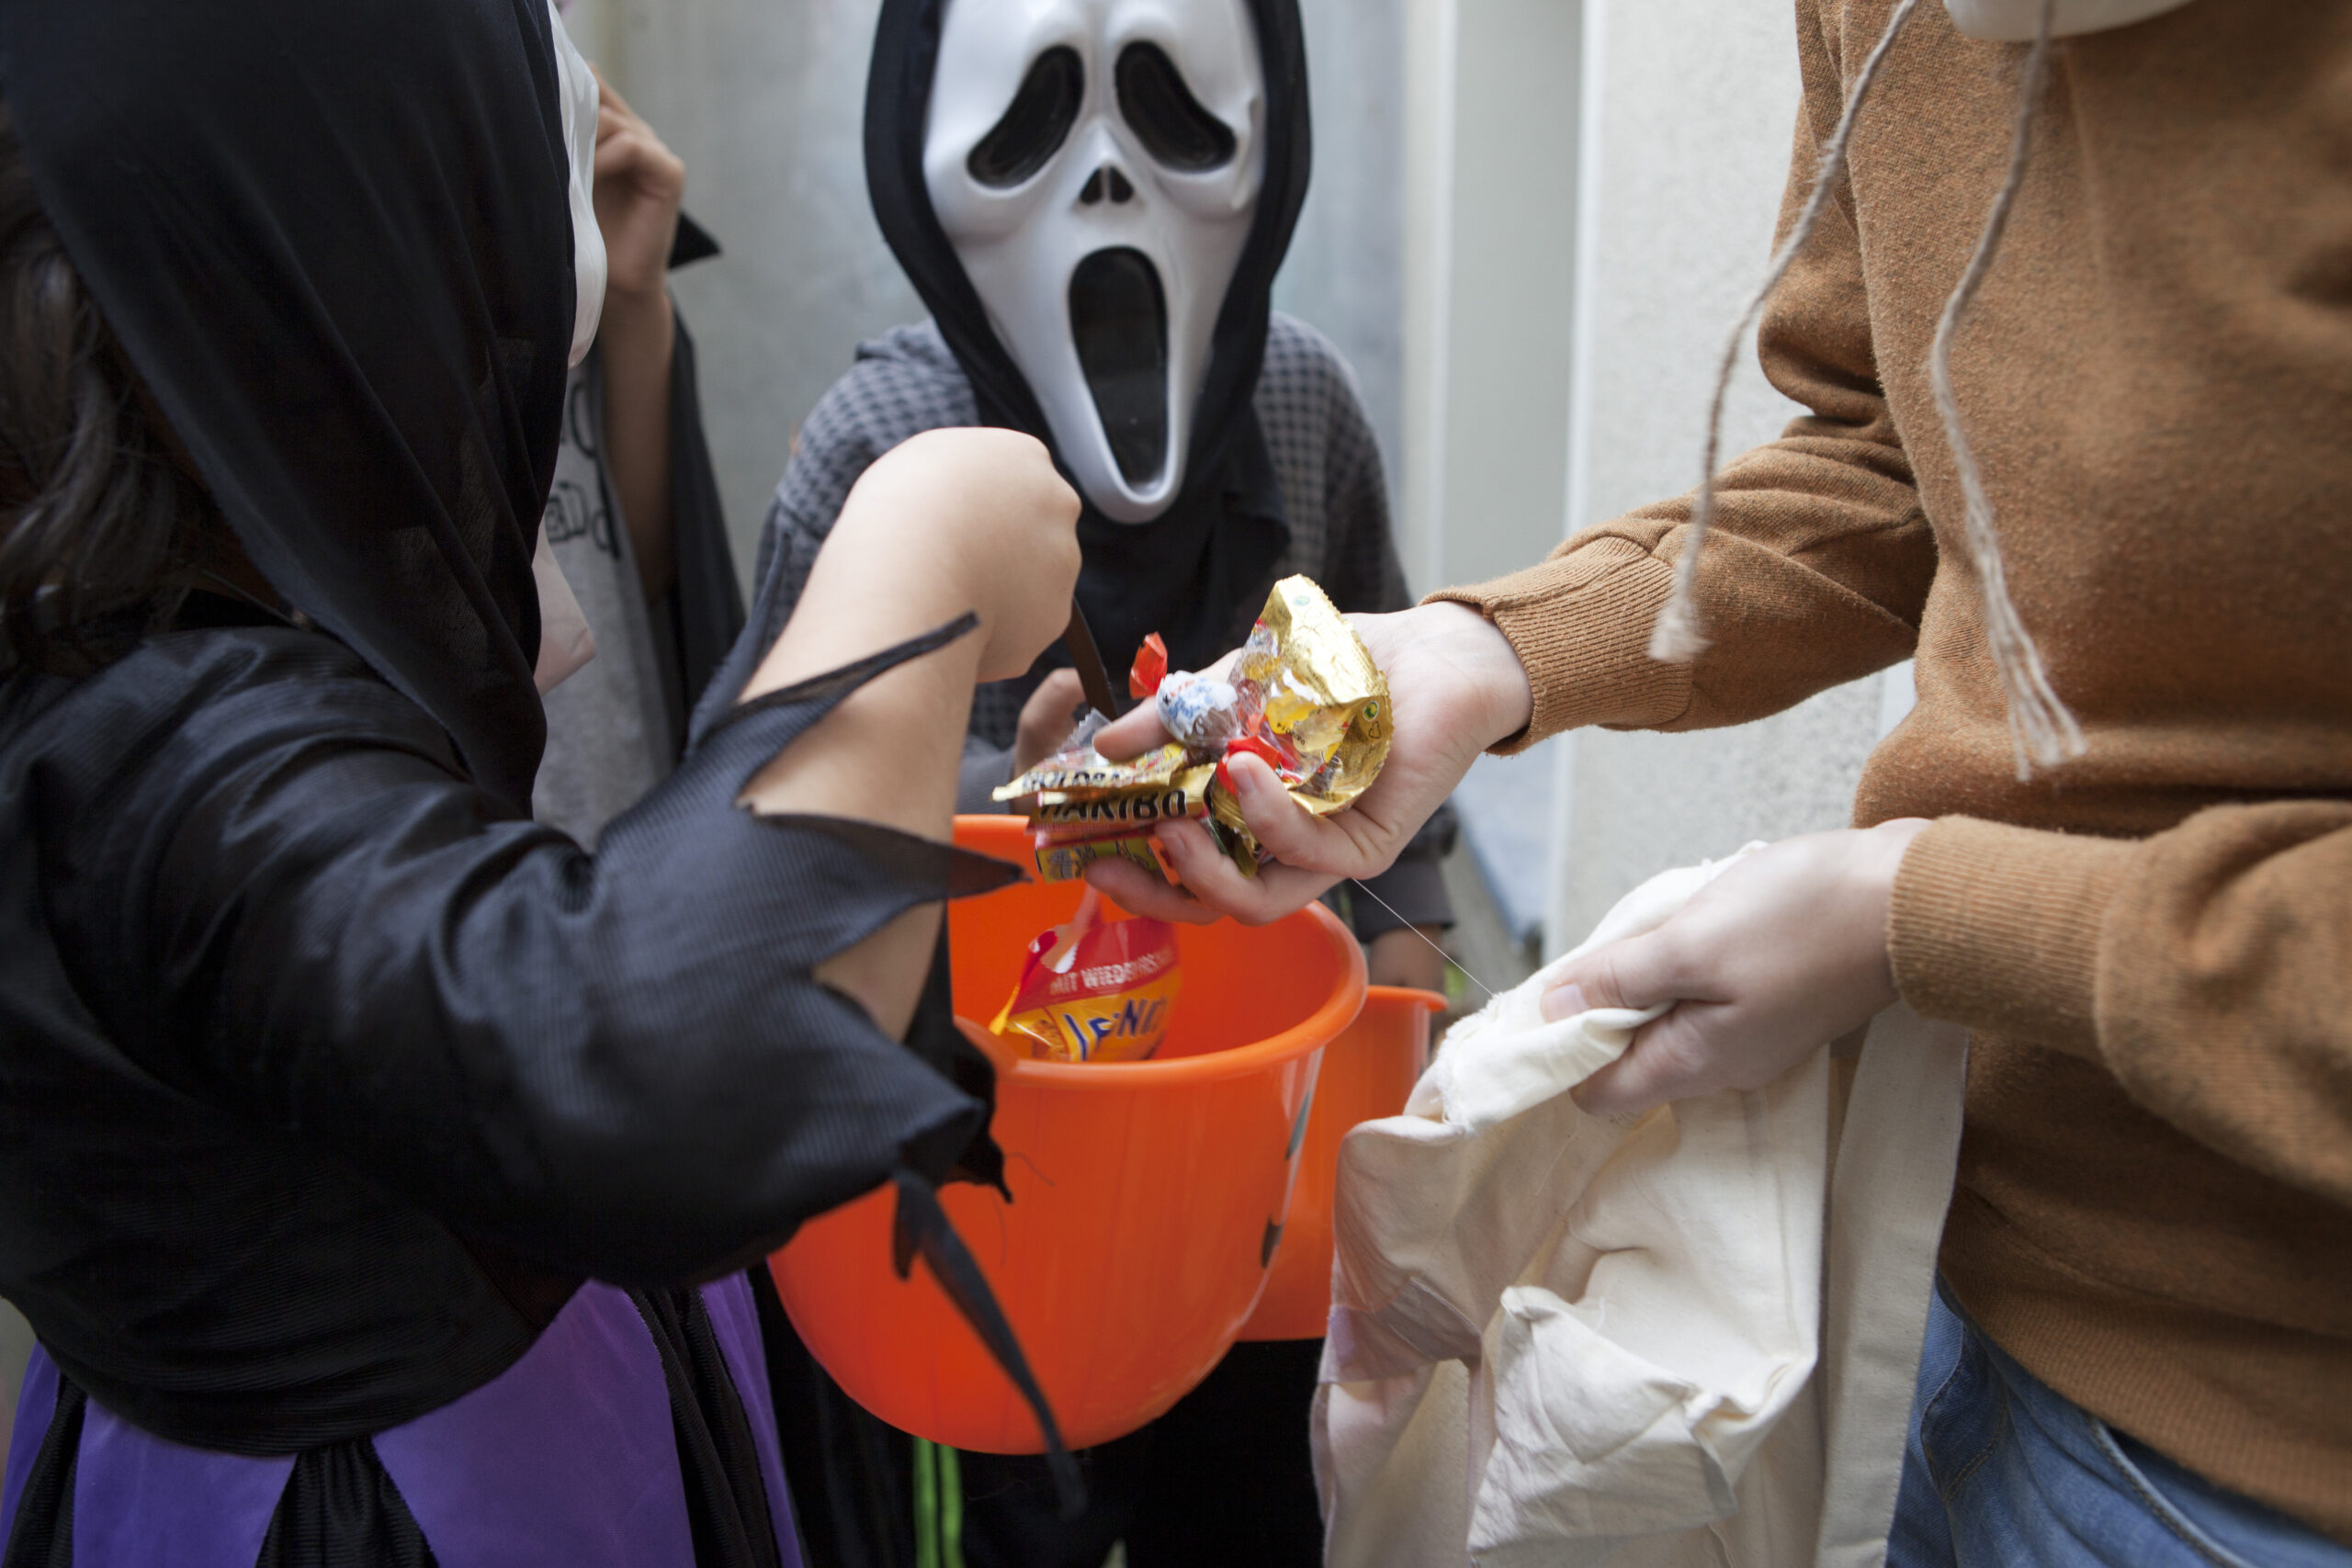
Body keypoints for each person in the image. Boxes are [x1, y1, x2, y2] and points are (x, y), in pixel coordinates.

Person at [1090, 1, 2352, 1562]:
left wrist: (1915, 914)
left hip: (2267, 1465)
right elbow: (1888, 449)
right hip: (1917, 1254)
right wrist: (1496, 656)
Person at [0, 1, 1080, 1562]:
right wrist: (923, 554)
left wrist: (965, 823)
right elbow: (663, 1054)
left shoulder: (178, 652)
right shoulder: (157, 749)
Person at [699, 0, 1449, 1562]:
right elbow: (749, 837)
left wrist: (1403, 1034)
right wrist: (1000, 807)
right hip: (998, 1185)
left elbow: (1399, 755)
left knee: (1254, 1501)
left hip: (1256, 1156)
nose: (1106, 180)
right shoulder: (879, 457)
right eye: (1031, 118)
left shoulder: (1301, 412)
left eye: (1176, 111)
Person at [532, 61, 747, 847]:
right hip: (463, 870)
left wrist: (632, 297)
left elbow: (646, 574)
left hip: (628, 809)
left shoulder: (575, 229)